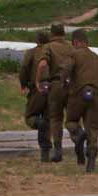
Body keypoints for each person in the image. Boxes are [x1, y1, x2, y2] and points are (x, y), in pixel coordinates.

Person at [64, 28, 98, 172]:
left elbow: (66, 71)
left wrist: (64, 82)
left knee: (71, 121)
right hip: (94, 95)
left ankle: (79, 134)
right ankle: (91, 162)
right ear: (87, 42)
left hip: (78, 94)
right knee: (93, 129)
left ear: (75, 42)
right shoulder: (96, 57)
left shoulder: (73, 55)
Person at [37, 22, 76, 163]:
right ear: (64, 32)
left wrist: (39, 81)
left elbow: (42, 64)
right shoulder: (71, 47)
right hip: (71, 85)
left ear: (52, 34)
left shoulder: (48, 47)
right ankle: (78, 138)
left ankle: (58, 150)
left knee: (56, 118)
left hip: (56, 86)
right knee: (73, 117)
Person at [18, 28, 51, 155]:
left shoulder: (32, 52)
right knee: (48, 120)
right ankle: (45, 153)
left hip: (38, 88)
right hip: (53, 88)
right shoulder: (53, 52)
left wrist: (23, 83)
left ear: (37, 40)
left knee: (30, 116)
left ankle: (38, 122)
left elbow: (25, 67)